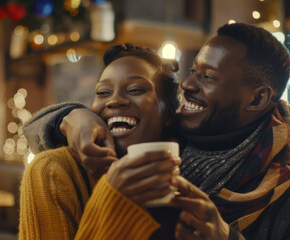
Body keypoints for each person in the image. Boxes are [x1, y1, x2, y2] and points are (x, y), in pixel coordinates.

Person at [23, 23, 290, 239]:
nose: (188, 85)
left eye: (208, 77)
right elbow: (39, 129)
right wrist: (74, 117)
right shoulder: (164, 138)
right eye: (193, 71)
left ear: (258, 98)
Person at [18, 43, 182, 239]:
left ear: (169, 114)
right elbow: (30, 127)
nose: (114, 100)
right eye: (103, 92)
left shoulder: (192, 172)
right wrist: (112, 198)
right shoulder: (55, 170)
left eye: (136, 89)